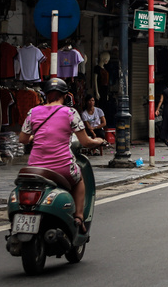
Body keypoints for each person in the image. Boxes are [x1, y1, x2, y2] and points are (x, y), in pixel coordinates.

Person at [18, 78, 105, 233]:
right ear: (65, 96)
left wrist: (33, 137)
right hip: (62, 168)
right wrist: (98, 141)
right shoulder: (70, 113)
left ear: (45, 95)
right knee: (79, 180)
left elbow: (23, 139)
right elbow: (85, 142)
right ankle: (78, 216)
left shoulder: (33, 112)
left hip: (34, 168)